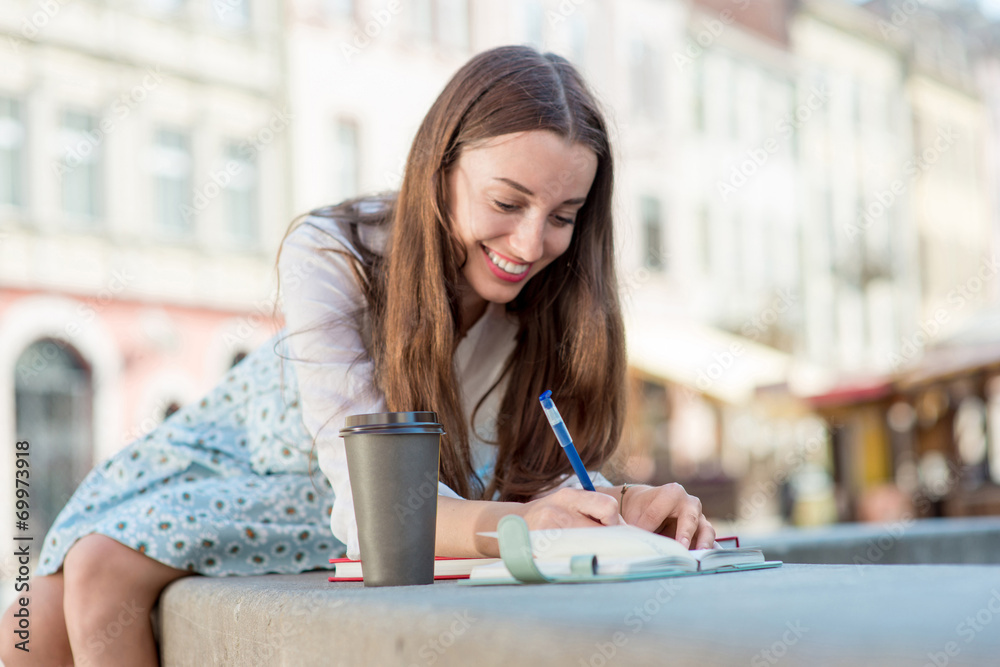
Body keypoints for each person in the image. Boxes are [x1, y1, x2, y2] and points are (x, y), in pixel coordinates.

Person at [0, 45, 714, 666]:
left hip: (361, 497)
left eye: (562, 217)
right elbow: (381, 502)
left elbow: (539, 486)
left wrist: (620, 503)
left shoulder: (559, 302)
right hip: (246, 455)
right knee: (27, 629)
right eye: (507, 201)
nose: (531, 244)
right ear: (439, 169)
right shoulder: (335, 249)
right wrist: (525, 522)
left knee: (89, 574)